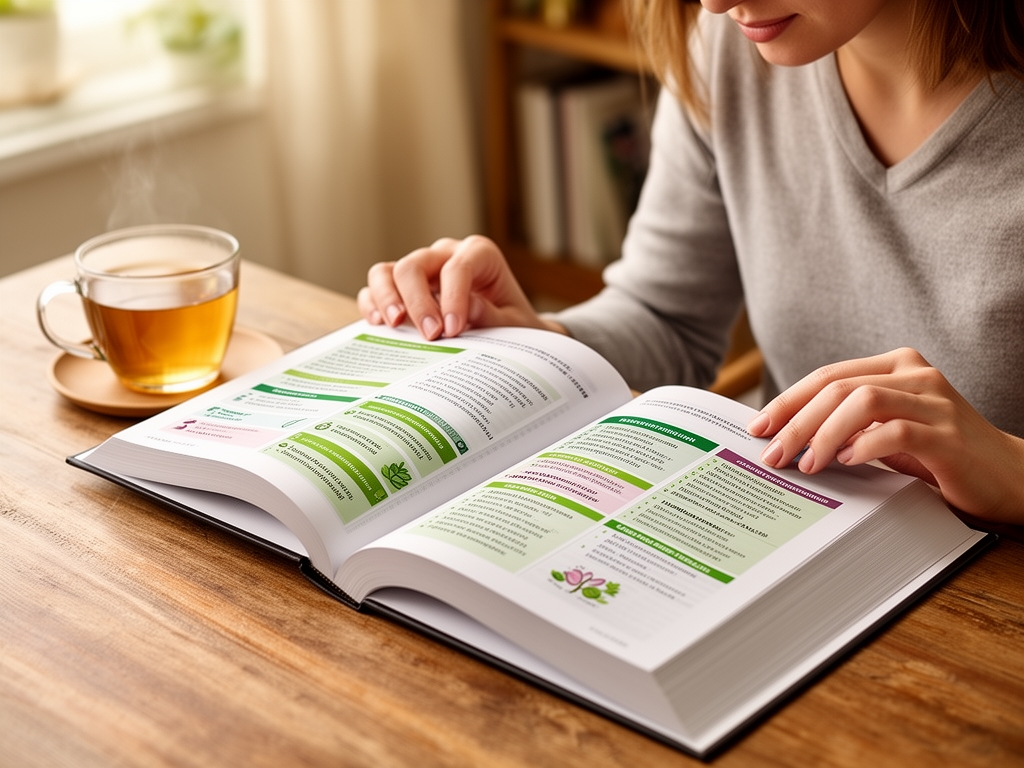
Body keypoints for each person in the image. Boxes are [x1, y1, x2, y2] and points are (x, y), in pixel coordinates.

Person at [358, 0, 1024, 524]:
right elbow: (666, 318)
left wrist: (1011, 472)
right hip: (795, 535)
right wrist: (536, 336)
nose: (713, 5)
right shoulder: (732, 53)